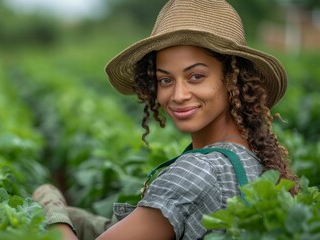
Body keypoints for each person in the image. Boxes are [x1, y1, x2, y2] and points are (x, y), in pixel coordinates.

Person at [32, 0, 299, 239]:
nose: (178, 95)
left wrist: (50, 207)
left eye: (196, 76)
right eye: (165, 80)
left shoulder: (195, 171)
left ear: (232, 79)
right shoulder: (256, 161)